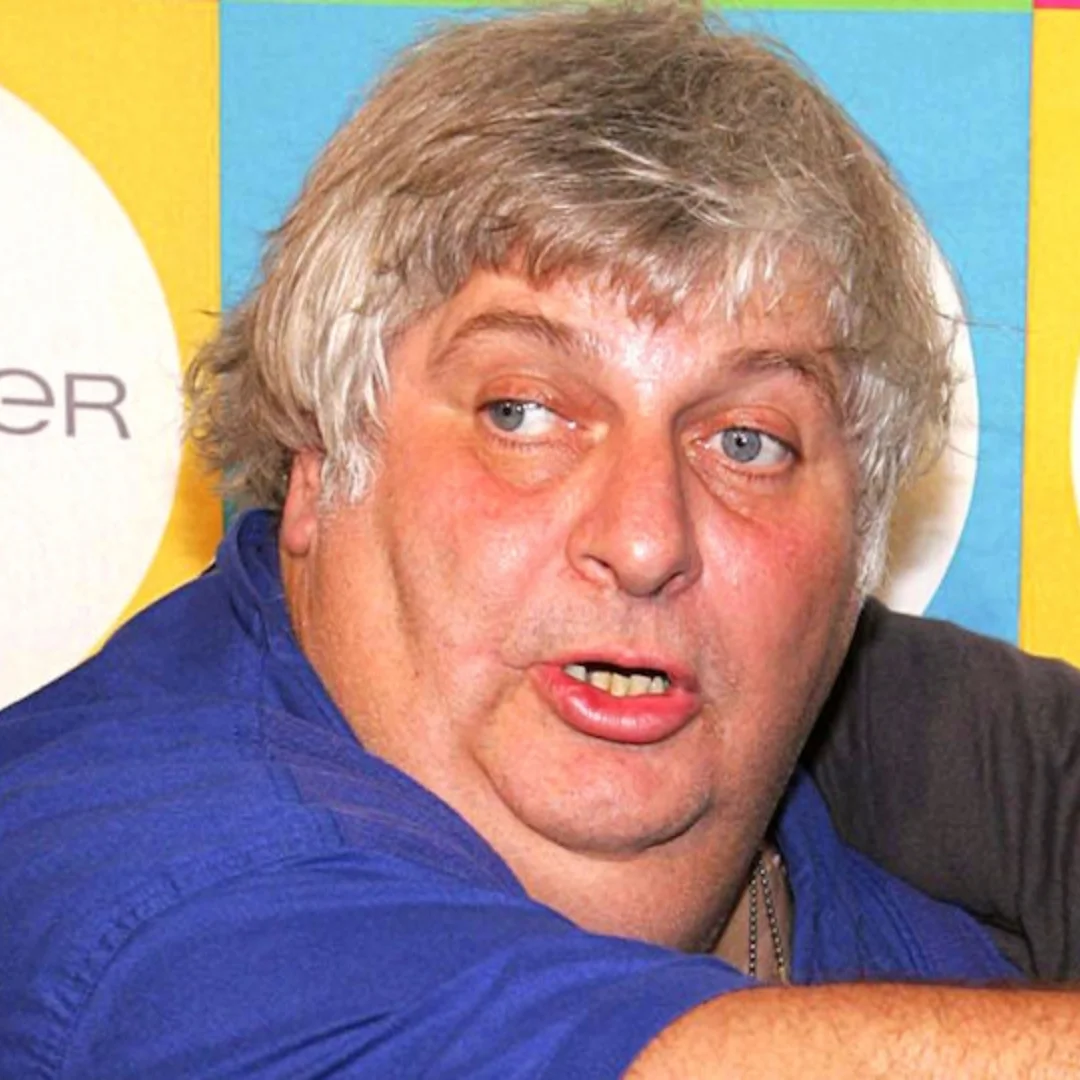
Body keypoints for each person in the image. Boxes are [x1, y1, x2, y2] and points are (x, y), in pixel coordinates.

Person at [0, 4, 1076, 1077]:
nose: (647, 538)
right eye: (522, 413)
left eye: (747, 441)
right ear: (320, 464)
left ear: (861, 550)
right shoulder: (127, 876)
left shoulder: (942, 928)